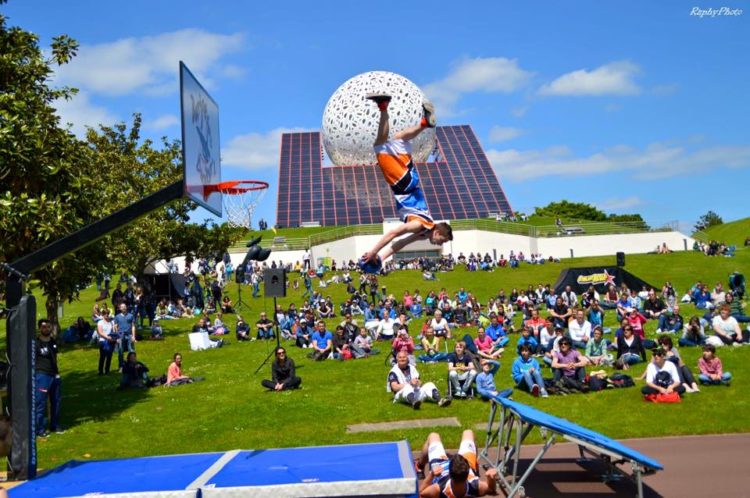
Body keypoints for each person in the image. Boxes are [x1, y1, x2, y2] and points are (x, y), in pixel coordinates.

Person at [360, 94, 453, 267]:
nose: (441, 244)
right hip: (401, 183)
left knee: (398, 139)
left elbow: (399, 244)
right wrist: (372, 252)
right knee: (379, 145)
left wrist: (380, 259)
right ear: (438, 232)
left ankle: (424, 124)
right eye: (443, 240)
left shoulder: (424, 230)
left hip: (411, 178)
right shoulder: (419, 225)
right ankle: (383, 106)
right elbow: (393, 234)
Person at [416, 430, 497, 498]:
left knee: (433, 436)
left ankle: (419, 466)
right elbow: (491, 489)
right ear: (467, 473)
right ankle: (475, 469)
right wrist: (491, 478)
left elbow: (420, 493)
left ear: (450, 475)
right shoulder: (475, 486)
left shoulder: (439, 489)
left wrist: (432, 475)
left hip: (440, 465)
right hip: (464, 466)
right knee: (468, 432)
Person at [35, 319, 63, 437]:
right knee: (40, 402)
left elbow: (54, 357)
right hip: (42, 375)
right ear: (40, 329)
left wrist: (57, 373)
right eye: (44, 327)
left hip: (54, 374)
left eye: (48, 327)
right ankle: (39, 429)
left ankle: (54, 425)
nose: (46, 329)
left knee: (56, 401)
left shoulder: (52, 341)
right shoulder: (36, 343)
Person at [113, 302, 136, 370]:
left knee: (131, 351)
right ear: (120, 308)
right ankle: (121, 366)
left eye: (125, 306)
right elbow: (115, 327)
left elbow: (133, 326)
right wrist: (117, 337)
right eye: (122, 307)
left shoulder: (131, 316)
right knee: (120, 351)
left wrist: (133, 336)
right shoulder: (117, 317)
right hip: (120, 336)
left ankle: (133, 365)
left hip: (129, 335)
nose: (124, 308)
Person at [96, 308, 117, 375]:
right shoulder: (100, 322)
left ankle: (107, 370)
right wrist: (107, 337)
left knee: (109, 356)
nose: (107, 315)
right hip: (103, 341)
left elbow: (114, 331)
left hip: (111, 341)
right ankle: (100, 371)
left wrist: (114, 337)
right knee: (103, 356)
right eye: (105, 314)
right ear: (102, 315)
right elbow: (100, 332)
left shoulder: (112, 322)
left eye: (108, 314)